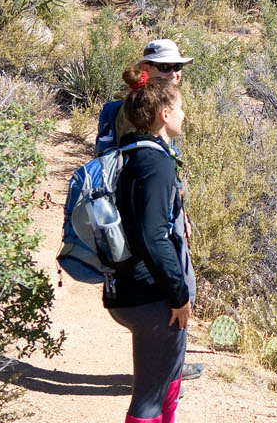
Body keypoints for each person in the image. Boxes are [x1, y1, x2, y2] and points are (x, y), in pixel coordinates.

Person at [106, 39, 196, 423]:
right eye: (178, 109)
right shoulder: (155, 164)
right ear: (162, 114)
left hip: (125, 288)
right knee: (148, 400)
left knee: (162, 391)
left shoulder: (129, 154)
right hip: (152, 295)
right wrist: (179, 295)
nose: (184, 116)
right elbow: (153, 236)